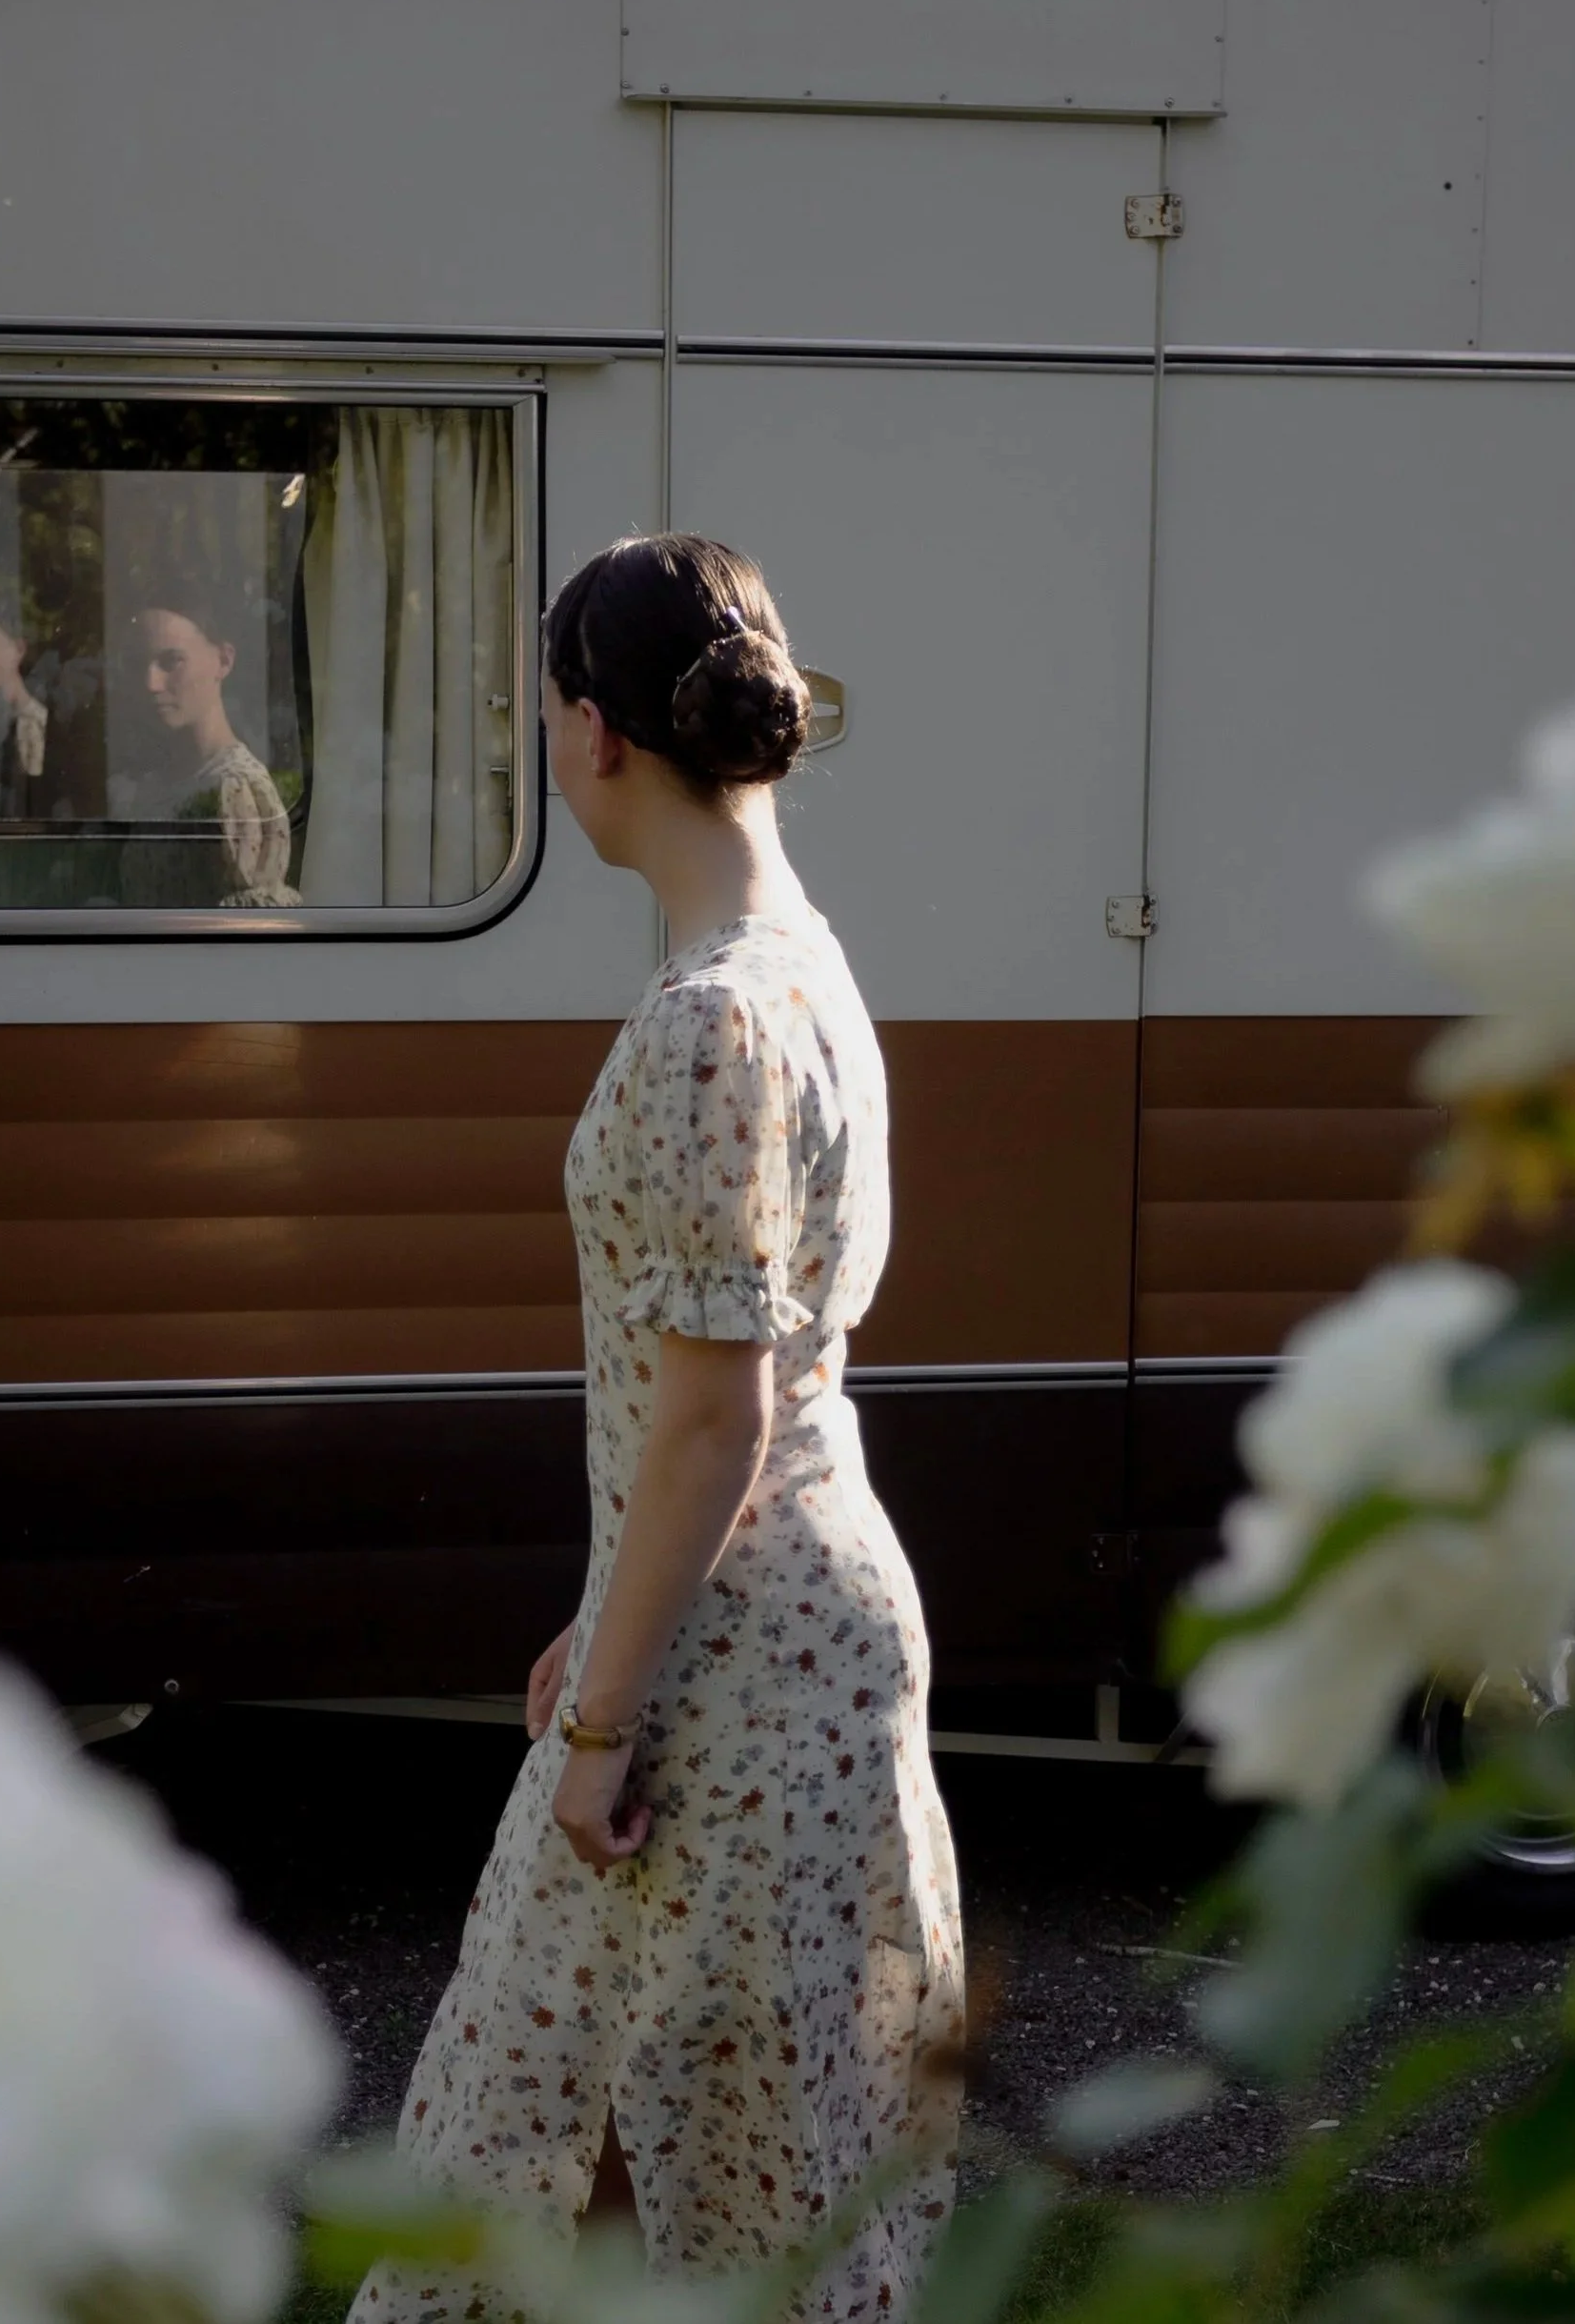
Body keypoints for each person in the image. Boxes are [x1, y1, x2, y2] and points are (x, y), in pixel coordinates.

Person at [355, 536, 963, 2322]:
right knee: (663, 2133)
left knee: (594, 2131)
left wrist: (609, 1718)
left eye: (547, 706)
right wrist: (611, 1609)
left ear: (599, 733)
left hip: (746, 1664)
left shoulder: (714, 1021)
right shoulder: (802, 964)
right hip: (766, 1614)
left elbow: (716, 1416)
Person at [130, 596, 298, 906]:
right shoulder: (156, 784)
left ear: (224, 661)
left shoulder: (234, 785)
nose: (151, 683)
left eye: (171, 662)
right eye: (141, 664)